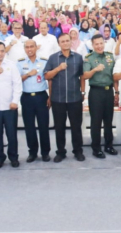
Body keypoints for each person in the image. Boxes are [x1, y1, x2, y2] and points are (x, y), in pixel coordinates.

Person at [44, 33, 86, 162]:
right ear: (59, 43)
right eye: (62, 41)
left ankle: (78, 151)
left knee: (76, 127)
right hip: (58, 99)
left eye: (67, 41)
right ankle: (61, 152)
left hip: (75, 98)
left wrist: (83, 92)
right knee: (59, 127)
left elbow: (82, 76)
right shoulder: (52, 58)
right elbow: (47, 76)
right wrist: (58, 69)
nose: (65, 43)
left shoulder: (78, 58)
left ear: (71, 42)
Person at [82, 34, 118, 158]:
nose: (99, 46)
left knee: (108, 120)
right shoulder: (89, 58)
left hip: (109, 92)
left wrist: (117, 92)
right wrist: (94, 70)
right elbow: (85, 75)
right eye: (96, 44)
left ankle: (109, 145)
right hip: (96, 92)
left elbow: (114, 76)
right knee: (96, 121)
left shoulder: (110, 56)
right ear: (92, 45)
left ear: (104, 43)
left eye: (101, 43)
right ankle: (96, 148)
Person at [17, 40, 51, 163]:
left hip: (41, 96)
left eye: (32, 46)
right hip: (26, 98)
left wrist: (50, 96)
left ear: (36, 47)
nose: (30, 49)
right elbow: (16, 80)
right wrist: (28, 75)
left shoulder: (44, 61)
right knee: (29, 127)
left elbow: (49, 79)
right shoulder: (20, 63)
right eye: (27, 47)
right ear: (24, 49)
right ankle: (32, 152)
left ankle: (45, 152)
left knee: (43, 126)